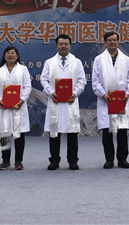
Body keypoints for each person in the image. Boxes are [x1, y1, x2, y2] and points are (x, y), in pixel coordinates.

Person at [40, 34, 86, 170]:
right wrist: (50, 92)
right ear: (56, 46)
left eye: (66, 44)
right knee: (54, 133)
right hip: (55, 101)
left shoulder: (77, 62)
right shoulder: (49, 62)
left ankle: (73, 161)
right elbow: (43, 79)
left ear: (70, 46)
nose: (63, 46)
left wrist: (75, 93)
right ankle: (54, 161)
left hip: (71, 101)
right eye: (61, 44)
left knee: (72, 133)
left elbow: (82, 80)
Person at [91, 31, 129, 169]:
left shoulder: (126, 59)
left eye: (115, 40)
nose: (112, 42)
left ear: (118, 42)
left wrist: (128, 93)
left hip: (122, 100)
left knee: (122, 131)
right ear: (105, 42)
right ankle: (109, 159)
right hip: (106, 100)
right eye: (109, 40)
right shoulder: (99, 60)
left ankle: (122, 159)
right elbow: (95, 81)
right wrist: (103, 94)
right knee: (107, 132)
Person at [0, 46, 32, 171]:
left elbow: (27, 87)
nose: (10, 55)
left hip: (18, 106)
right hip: (4, 106)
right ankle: (5, 160)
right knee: (4, 133)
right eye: (7, 53)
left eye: (13, 53)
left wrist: (22, 100)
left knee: (19, 134)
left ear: (17, 56)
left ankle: (18, 161)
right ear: (4, 56)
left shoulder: (23, 69)